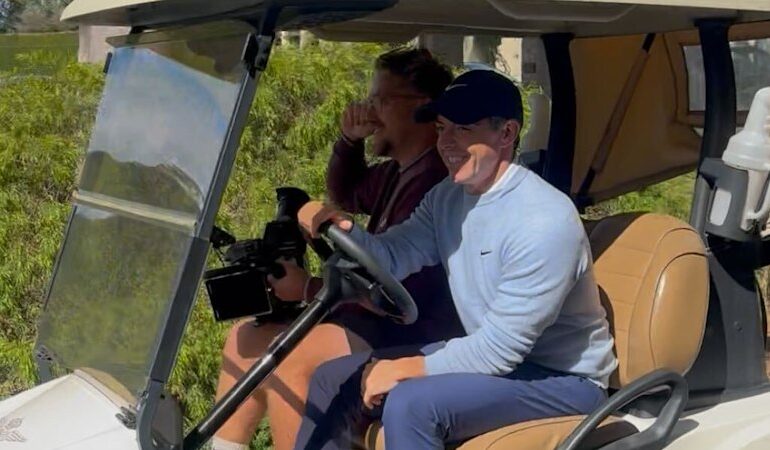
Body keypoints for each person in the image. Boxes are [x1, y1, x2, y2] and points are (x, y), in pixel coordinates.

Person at [293, 70, 618, 449]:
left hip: (566, 380)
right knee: (333, 379)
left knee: (412, 404)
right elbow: (393, 255)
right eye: (442, 127)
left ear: (507, 134)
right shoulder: (446, 197)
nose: (445, 142)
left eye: (462, 129)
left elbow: (500, 350)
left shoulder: (543, 221)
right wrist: (339, 226)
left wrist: (404, 369)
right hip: (502, 359)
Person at [211, 48, 464, 450]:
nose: (367, 112)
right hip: (372, 321)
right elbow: (345, 192)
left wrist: (310, 290)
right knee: (242, 341)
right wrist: (349, 141)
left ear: (423, 110)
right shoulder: (396, 173)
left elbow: (403, 293)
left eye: (380, 100)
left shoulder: (438, 182)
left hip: (416, 330)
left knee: (292, 361)